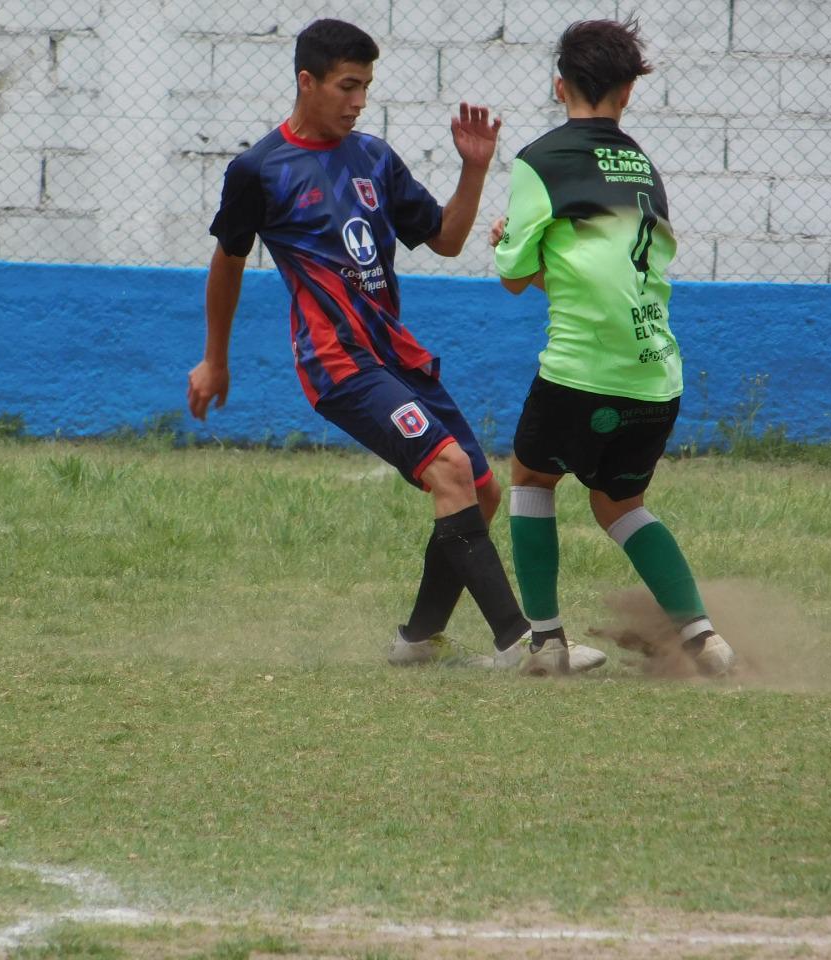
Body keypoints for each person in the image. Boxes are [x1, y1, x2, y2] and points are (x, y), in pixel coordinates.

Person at [188, 18, 578, 673]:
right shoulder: (259, 170)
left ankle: (418, 641)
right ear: (306, 82)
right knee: (451, 470)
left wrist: (474, 170)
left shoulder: (373, 158)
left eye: (365, 86)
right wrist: (215, 357)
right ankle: (523, 645)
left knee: (478, 493)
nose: (358, 100)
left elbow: (447, 240)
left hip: (395, 354)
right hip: (337, 364)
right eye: (347, 86)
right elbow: (227, 261)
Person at [490, 18, 735, 677]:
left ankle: (545, 643)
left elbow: (515, 278)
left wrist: (508, 242)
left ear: (557, 84)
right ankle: (704, 636)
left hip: (582, 371)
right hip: (658, 376)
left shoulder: (539, 162)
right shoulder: (645, 171)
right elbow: (612, 272)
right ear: (627, 94)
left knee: (531, 479)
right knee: (618, 503)